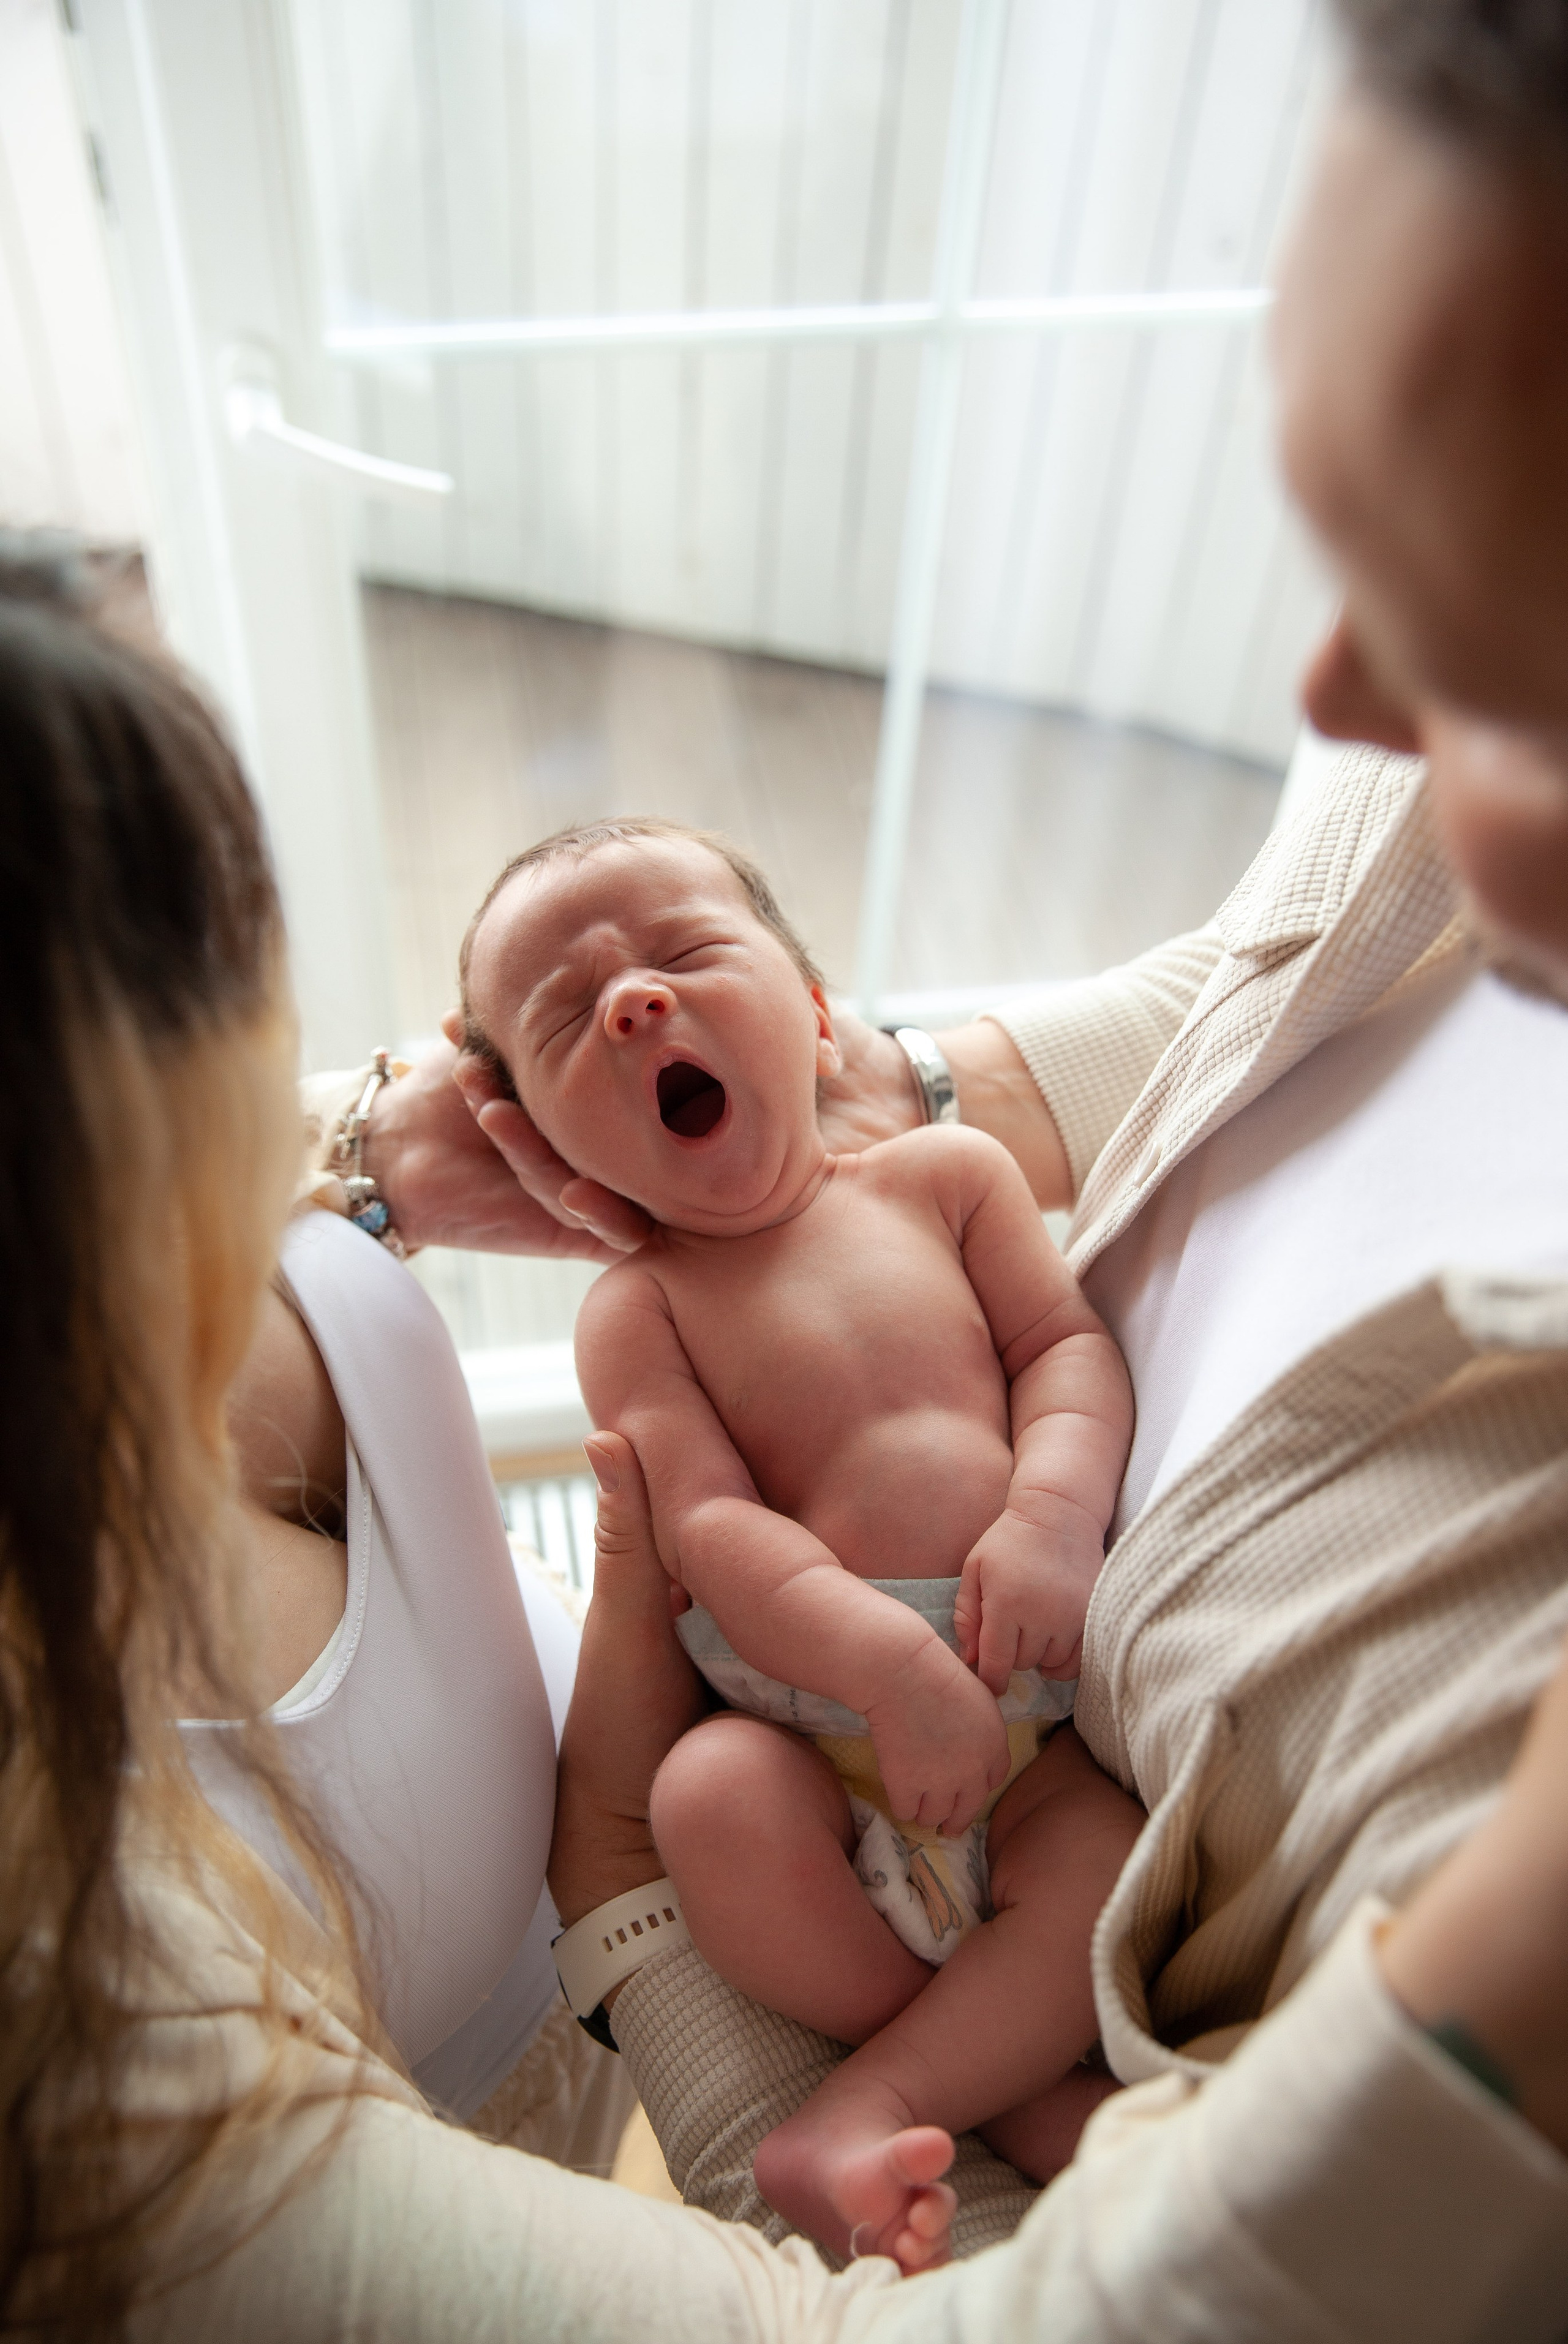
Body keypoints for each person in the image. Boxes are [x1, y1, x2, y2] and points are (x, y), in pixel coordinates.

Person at [7, 1, 1568, 2335]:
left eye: (1477, 619)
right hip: (757, 1850)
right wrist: (687, 1843)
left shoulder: (892, 1157)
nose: (1335, 697)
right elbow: (714, 1507)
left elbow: (1133, 1146)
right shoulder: (95, 2023)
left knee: (1039, 1888)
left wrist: (441, 1153)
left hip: (958, 1826)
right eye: (253, 1021)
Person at [457, 813, 1139, 2266]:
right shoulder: (638, 1308)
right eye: (568, 1018)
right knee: (704, 1798)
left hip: (1030, 1714)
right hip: (812, 1725)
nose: (635, 1001)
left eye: (687, 953)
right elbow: (703, 1526)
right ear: (552, 1153)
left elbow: (1061, 1347)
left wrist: (1051, 1517)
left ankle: (909, 2091)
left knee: (1102, 1864)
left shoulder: (946, 1179)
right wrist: (885, 1669)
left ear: (820, 1022)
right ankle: (954, 2082)